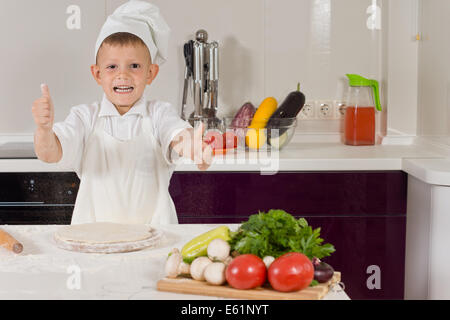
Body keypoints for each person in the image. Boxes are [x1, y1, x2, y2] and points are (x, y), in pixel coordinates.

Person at [31, 1, 213, 226]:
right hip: (94, 243)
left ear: (151, 73)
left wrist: (194, 148)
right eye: (112, 67)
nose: (123, 75)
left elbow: (177, 135)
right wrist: (44, 130)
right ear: (97, 74)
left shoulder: (159, 114)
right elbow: (50, 153)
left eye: (134, 66)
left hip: (155, 240)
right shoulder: (84, 118)